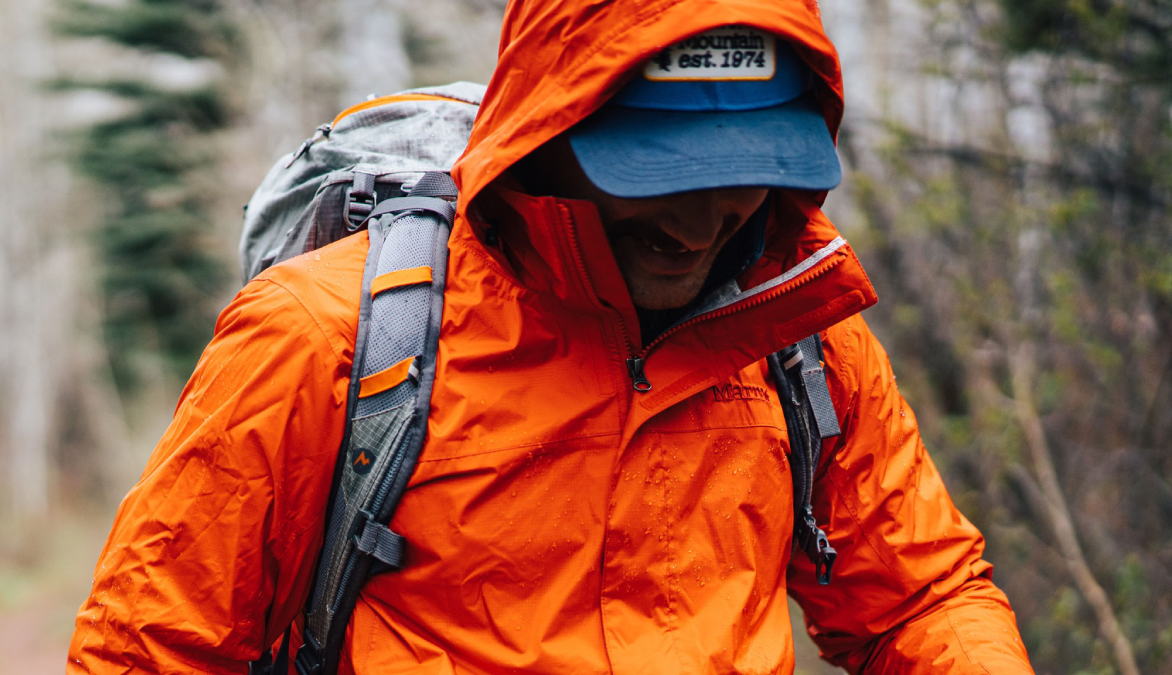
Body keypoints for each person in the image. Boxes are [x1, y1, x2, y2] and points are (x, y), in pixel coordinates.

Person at [69, 0, 1037, 673]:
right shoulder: (322, 334)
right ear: (547, 135)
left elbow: (916, 600)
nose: (705, 227)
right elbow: (154, 647)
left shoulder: (794, 334)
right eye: (659, 173)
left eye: (745, 170)